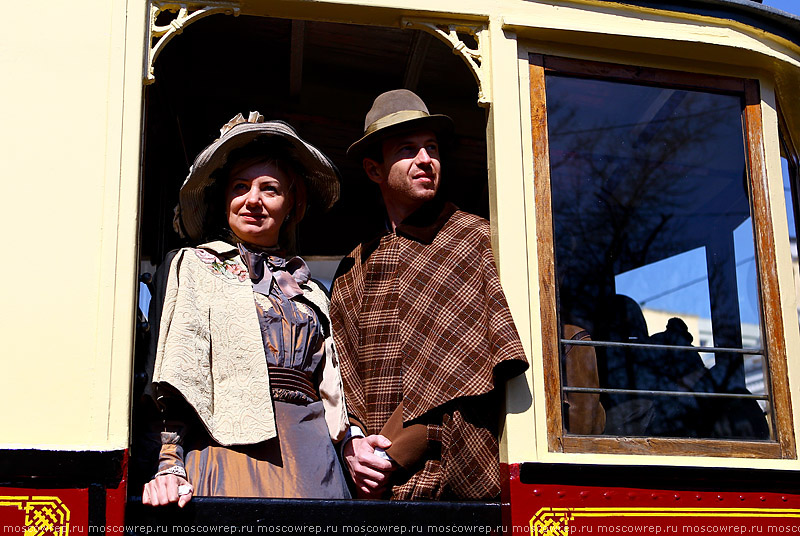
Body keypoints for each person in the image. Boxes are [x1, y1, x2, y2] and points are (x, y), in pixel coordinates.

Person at [141, 112, 350, 506]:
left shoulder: (312, 291)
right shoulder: (196, 266)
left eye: (269, 189)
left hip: (313, 462)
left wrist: (351, 442)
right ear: (225, 200)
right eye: (241, 187)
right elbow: (178, 372)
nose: (253, 200)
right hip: (227, 455)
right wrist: (169, 463)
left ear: (291, 204)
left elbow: (333, 387)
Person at [330, 90, 529, 501]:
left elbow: (466, 374)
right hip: (369, 485)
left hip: (452, 475)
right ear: (374, 169)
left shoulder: (472, 238)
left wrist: (392, 454)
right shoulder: (353, 268)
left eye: (432, 149)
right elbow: (341, 378)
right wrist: (358, 451)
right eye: (407, 149)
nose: (426, 160)